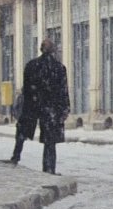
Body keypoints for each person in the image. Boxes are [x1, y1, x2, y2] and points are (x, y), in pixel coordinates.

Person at [20, 38, 70, 174]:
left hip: (35, 105)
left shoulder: (32, 66)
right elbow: (63, 90)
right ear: (53, 50)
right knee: (50, 141)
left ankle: (16, 156)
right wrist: (65, 108)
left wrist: (28, 104)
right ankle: (49, 168)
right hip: (52, 107)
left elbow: (26, 89)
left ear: (41, 49)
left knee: (23, 132)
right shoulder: (58, 68)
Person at [9, 91, 34, 164]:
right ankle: (16, 156)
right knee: (20, 139)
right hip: (23, 121)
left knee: (19, 139)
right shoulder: (25, 97)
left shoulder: (21, 97)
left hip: (23, 121)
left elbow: (15, 108)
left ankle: (16, 156)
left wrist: (18, 117)